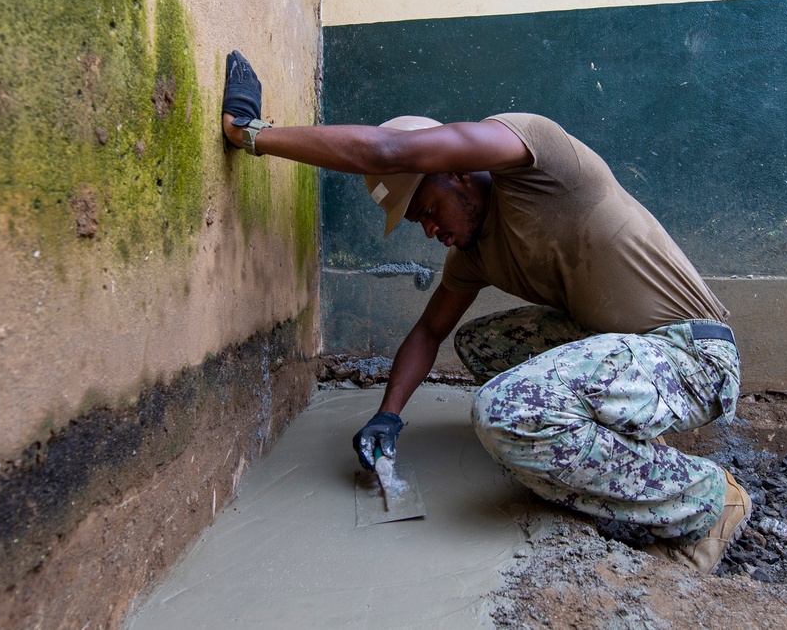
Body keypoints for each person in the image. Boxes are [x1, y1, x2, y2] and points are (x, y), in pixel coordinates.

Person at [220, 50, 750, 574]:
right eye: (417, 223)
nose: (429, 229)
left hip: (692, 355)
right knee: (481, 344)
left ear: (457, 173)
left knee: (506, 411)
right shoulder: (472, 251)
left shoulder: (539, 160)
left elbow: (384, 150)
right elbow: (429, 331)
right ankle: (612, 449)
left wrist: (251, 132)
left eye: (427, 210)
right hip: (622, 347)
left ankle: (706, 499)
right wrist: (387, 416)